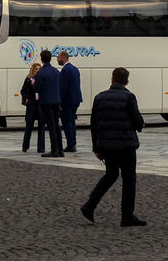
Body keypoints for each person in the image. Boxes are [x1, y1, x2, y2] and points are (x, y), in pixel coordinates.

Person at [81, 66, 146, 227]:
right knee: (129, 179)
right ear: (127, 82)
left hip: (107, 146)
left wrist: (96, 147)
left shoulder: (99, 97)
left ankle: (90, 205)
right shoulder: (129, 97)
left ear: (111, 79)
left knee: (110, 175)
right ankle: (127, 215)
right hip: (126, 146)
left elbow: (93, 124)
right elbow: (139, 123)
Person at [33, 49, 63, 158]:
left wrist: (33, 84)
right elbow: (61, 85)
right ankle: (60, 150)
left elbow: (37, 88)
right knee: (56, 125)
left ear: (42, 59)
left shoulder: (41, 73)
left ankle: (54, 150)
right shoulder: (56, 71)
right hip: (56, 100)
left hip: (46, 102)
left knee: (51, 126)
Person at [57, 50, 82, 152]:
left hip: (68, 100)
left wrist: (60, 102)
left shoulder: (65, 70)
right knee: (71, 121)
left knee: (67, 122)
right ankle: (73, 143)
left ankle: (71, 144)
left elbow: (63, 87)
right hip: (76, 99)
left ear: (63, 58)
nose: (57, 60)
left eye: (58, 58)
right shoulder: (75, 69)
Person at [20, 62, 42, 153]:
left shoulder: (41, 79)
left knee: (41, 126)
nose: (38, 71)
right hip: (32, 104)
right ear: (33, 70)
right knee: (29, 126)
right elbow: (23, 90)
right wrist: (26, 99)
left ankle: (41, 148)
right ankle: (25, 146)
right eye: (36, 69)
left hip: (40, 104)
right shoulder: (29, 79)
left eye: (39, 69)